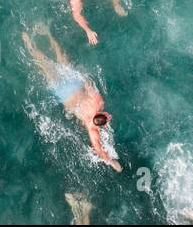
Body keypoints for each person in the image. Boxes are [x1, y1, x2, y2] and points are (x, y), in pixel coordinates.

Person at [22, 24, 121, 171]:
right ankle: (32, 40)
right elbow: (99, 151)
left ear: (103, 114)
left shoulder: (98, 101)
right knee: (44, 65)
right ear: (103, 123)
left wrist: (82, 77)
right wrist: (112, 162)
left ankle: (44, 34)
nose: (109, 115)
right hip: (64, 94)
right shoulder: (91, 126)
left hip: (73, 85)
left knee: (59, 56)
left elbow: (87, 83)